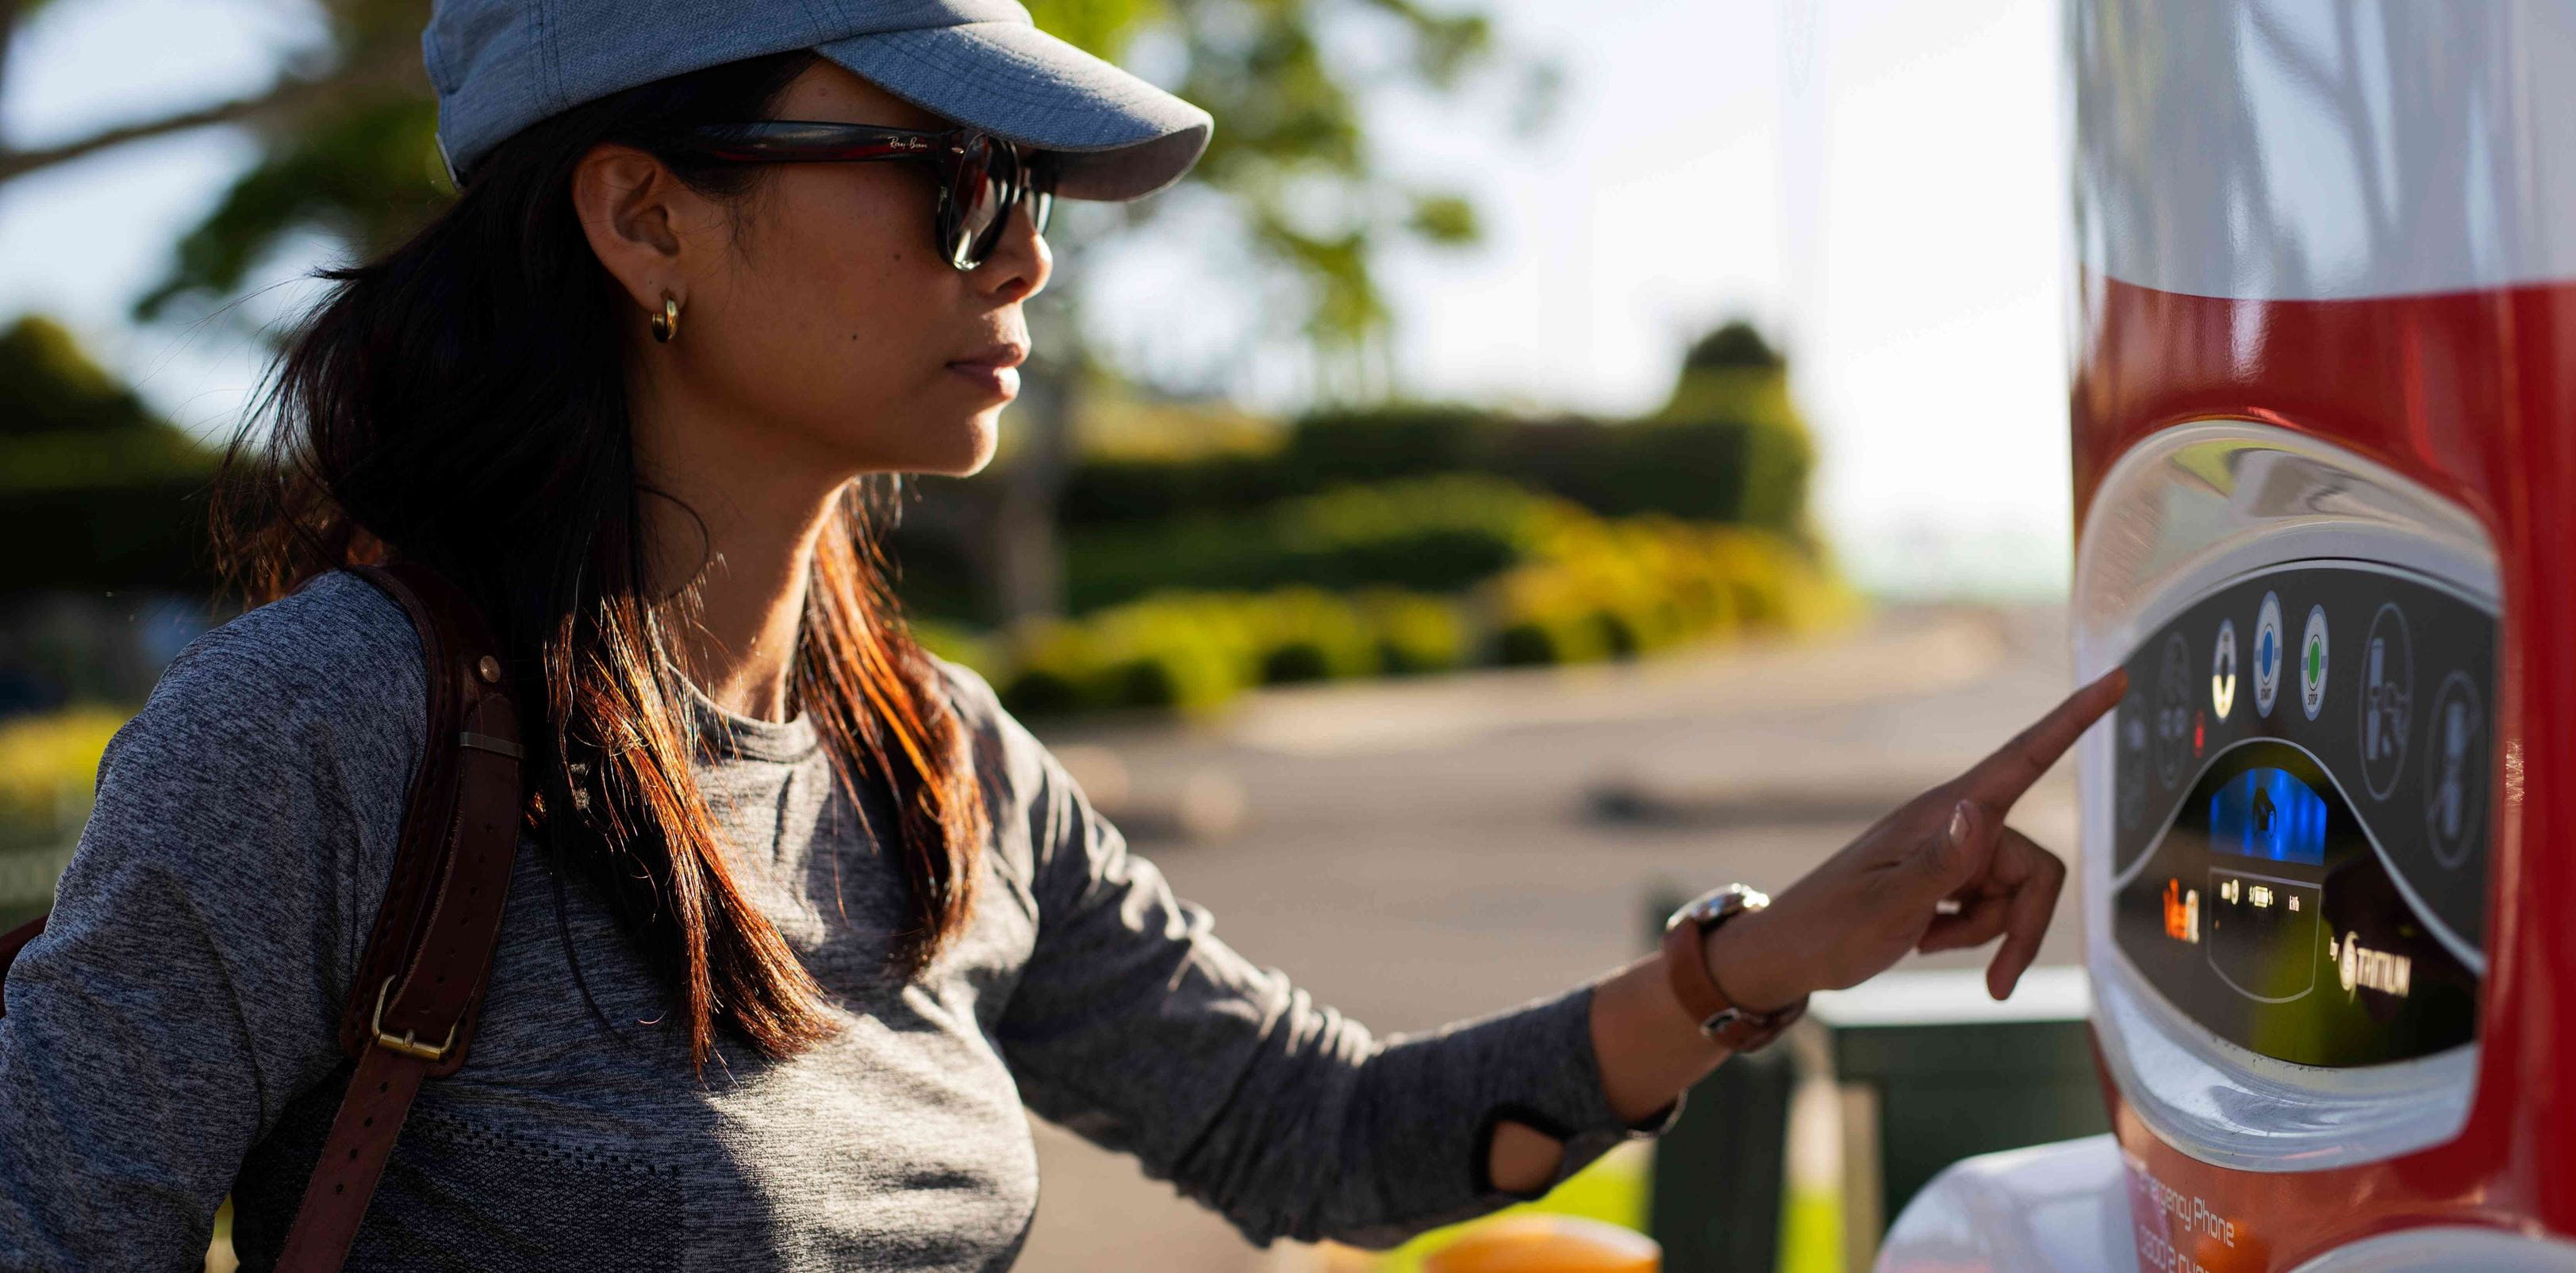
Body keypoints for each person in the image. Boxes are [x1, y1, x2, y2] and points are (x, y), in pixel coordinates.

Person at [0, 2, 2130, 1268]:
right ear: (641, 214)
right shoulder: (318, 732)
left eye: (1026, 192)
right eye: (945, 179)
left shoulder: (937, 759)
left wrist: (1774, 952)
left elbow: (1330, 1141)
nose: (1021, 260)